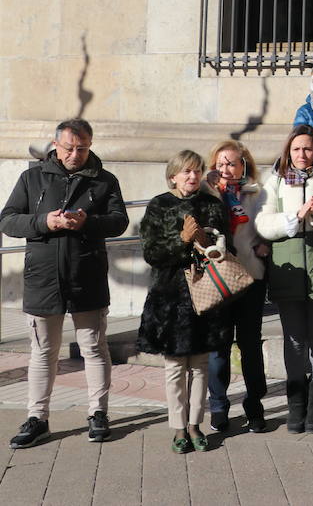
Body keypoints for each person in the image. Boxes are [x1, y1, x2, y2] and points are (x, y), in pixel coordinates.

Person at [2, 119, 128, 449]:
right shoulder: (32, 177)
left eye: (83, 148)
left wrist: (88, 222)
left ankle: (98, 413)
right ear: (55, 145)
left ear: (90, 145)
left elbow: (119, 222)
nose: (75, 154)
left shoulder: (105, 180)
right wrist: (44, 221)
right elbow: (8, 220)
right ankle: (37, 418)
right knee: (43, 352)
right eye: (69, 147)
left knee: (95, 349)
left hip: (86, 278)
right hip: (43, 279)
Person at [137, 151, 232, 454]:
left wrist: (203, 239)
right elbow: (151, 252)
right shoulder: (159, 205)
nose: (193, 177)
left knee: (201, 364)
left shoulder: (212, 205)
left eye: (197, 171)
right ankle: (178, 428)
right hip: (169, 298)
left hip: (205, 292)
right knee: (175, 367)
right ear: (173, 175)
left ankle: (195, 425)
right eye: (186, 172)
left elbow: (222, 247)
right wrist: (180, 239)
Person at [255, 125, 313, 433]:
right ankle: (296, 405)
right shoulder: (276, 180)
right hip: (287, 267)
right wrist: (294, 217)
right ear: (288, 152)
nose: (302, 155)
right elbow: (263, 223)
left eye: (307, 149)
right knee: (293, 339)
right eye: (296, 149)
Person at [203, 139, 270, 434]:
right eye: (220, 164)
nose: (226, 169)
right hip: (219, 280)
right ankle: (218, 406)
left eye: (231, 163)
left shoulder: (258, 194)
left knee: (250, 345)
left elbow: (268, 226)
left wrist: (267, 243)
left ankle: (254, 405)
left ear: (244, 165)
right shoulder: (206, 195)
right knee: (218, 347)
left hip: (251, 277)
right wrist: (216, 196)